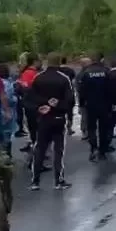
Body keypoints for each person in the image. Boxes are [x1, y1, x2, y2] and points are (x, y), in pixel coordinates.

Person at [26, 52, 74, 191]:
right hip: (58, 118)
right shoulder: (64, 78)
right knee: (58, 150)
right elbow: (70, 100)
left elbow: (29, 99)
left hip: (43, 118)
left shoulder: (38, 78)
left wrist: (39, 107)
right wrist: (58, 105)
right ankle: (58, 181)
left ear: (47, 61)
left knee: (39, 148)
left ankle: (35, 182)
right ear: (59, 62)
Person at [78, 52, 112, 161]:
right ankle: (102, 151)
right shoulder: (106, 71)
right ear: (100, 60)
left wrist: (81, 104)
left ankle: (93, 148)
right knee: (103, 128)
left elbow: (81, 91)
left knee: (91, 128)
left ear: (92, 61)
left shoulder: (86, 73)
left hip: (90, 105)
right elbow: (111, 89)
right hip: (104, 104)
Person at [17, 53, 41, 152]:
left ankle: (35, 145)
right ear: (35, 62)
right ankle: (36, 149)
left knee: (34, 128)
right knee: (35, 128)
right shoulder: (31, 73)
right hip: (33, 104)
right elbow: (26, 88)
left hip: (30, 104)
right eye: (40, 61)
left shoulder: (27, 73)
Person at [0, 63, 18, 157]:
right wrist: (15, 99)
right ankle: (7, 156)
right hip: (6, 111)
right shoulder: (7, 84)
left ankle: (0, 156)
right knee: (7, 134)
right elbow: (8, 98)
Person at [59, 56, 77, 136]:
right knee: (70, 112)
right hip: (69, 93)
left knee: (59, 112)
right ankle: (69, 128)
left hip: (59, 94)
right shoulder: (70, 71)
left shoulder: (57, 70)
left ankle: (60, 128)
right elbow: (73, 82)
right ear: (66, 61)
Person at [76, 56, 92, 140]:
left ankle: (87, 131)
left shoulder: (81, 74)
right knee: (85, 116)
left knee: (86, 116)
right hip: (86, 99)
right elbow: (79, 89)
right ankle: (85, 131)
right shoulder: (82, 75)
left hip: (87, 99)